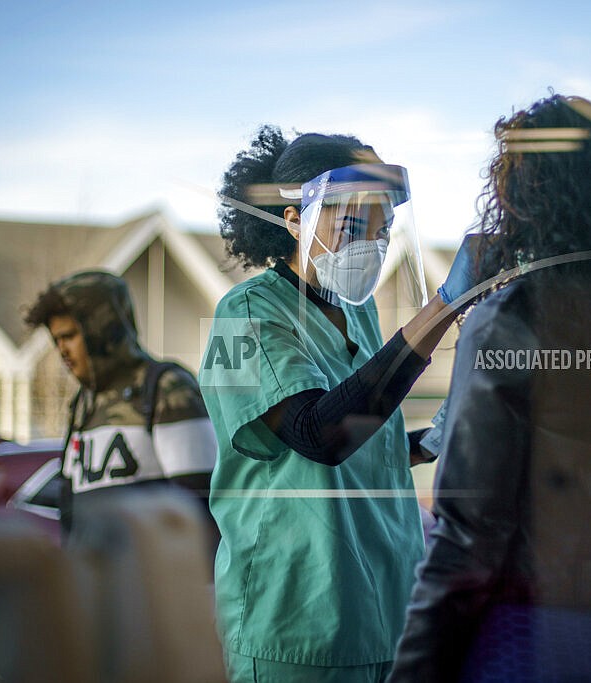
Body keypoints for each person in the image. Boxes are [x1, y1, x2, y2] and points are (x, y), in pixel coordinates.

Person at [387, 94, 591, 682]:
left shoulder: (513, 317)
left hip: (538, 639)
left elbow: (467, 534)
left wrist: (415, 671)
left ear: (522, 196)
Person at [200, 125, 482, 682]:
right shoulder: (246, 314)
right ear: (294, 220)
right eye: (352, 224)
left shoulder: (360, 314)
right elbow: (318, 436)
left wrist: (433, 440)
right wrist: (444, 305)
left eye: (382, 229)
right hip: (296, 624)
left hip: (384, 614)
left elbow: (362, 449)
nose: (369, 246)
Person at [23, 271, 218, 546]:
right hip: (96, 585)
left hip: (158, 585)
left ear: (103, 329)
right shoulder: (83, 403)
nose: (62, 350)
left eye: (69, 336)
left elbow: (199, 512)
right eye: (56, 340)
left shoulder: (167, 388)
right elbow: (70, 513)